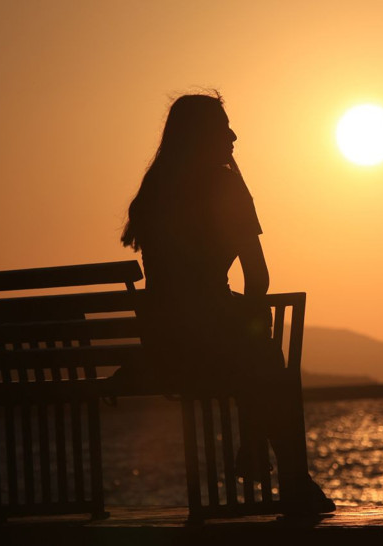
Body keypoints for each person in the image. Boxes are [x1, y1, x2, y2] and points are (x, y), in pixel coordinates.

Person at [119, 92, 334, 514]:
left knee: (254, 347)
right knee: (268, 355)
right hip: (211, 348)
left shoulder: (154, 189)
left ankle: (258, 448)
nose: (234, 135)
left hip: (164, 350)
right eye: (223, 128)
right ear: (202, 137)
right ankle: (289, 477)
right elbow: (258, 276)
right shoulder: (223, 185)